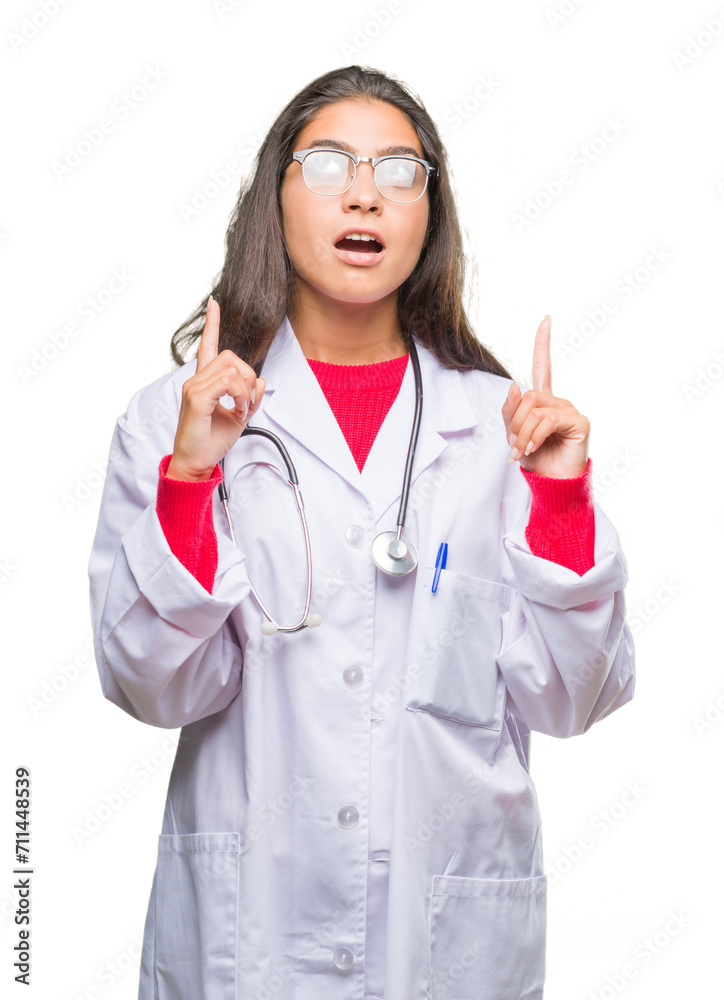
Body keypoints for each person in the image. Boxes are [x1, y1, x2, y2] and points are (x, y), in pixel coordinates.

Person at [88, 65, 635, 1000]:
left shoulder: (506, 425)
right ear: (276, 195)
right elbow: (150, 683)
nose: (363, 192)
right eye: (330, 163)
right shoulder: (175, 419)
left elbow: (571, 700)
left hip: (448, 941)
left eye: (399, 171)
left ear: (431, 214)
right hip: (250, 934)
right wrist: (190, 477)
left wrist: (561, 500)